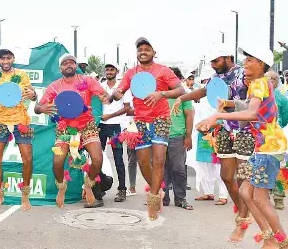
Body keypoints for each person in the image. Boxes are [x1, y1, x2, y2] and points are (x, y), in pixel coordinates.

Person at [197, 47, 288, 249]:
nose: (245, 64)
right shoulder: (259, 84)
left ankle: (282, 243)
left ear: (261, 64)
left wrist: (217, 115)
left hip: (268, 147)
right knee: (245, 193)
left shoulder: (259, 83)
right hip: (264, 146)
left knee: (260, 198)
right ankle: (269, 239)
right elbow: (251, 106)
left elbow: (251, 114)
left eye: (250, 60)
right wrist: (228, 102)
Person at [172, 44, 251, 242]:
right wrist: (181, 98)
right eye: (211, 62)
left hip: (246, 130)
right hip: (225, 128)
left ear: (227, 57)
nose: (213, 65)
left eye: (216, 61)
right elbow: (203, 92)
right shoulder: (217, 78)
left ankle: (242, 218)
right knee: (226, 176)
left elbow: (255, 102)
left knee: (242, 178)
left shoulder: (244, 73)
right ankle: (242, 211)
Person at [112, 37, 185, 221]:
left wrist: (162, 93)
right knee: (144, 162)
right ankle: (158, 189)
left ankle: (152, 201)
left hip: (161, 119)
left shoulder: (163, 71)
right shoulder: (131, 73)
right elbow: (119, 91)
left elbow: (180, 90)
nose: (143, 52)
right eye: (139, 50)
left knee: (159, 160)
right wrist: (116, 93)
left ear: (154, 52)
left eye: (146, 49)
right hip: (140, 122)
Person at [35, 53, 111, 208]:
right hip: (65, 130)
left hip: (87, 127)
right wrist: (42, 108)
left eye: (71, 62)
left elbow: (105, 95)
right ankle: (61, 187)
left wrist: (106, 97)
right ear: (60, 68)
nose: (68, 65)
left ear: (76, 66)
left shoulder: (87, 81)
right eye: (65, 63)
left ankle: (89, 184)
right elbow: (37, 107)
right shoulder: (54, 86)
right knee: (57, 162)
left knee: (97, 159)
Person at [0, 49, 38, 213]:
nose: (5, 61)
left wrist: (33, 94)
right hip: (1, 122)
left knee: (27, 159)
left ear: (13, 59)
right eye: (2, 58)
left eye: (8, 58)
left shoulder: (22, 75)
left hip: (21, 120)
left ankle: (25, 194)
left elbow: (33, 95)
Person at [192, 70, 229, 205]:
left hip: (218, 135)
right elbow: (197, 117)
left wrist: (210, 125)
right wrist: (200, 126)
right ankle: (208, 192)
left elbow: (224, 118)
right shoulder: (201, 100)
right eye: (205, 82)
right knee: (204, 164)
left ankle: (223, 195)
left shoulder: (223, 100)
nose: (207, 84)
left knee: (219, 166)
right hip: (202, 135)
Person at [99, 62, 131, 202]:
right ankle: (97, 189)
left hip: (115, 127)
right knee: (97, 158)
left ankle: (122, 190)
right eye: (107, 70)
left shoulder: (122, 88)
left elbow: (127, 108)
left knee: (118, 159)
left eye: (112, 70)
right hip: (101, 126)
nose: (109, 72)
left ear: (117, 71)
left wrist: (110, 116)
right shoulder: (100, 86)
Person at [163, 67, 194, 210]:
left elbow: (189, 115)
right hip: (159, 136)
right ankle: (162, 198)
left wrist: (188, 136)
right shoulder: (159, 94)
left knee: (179, 169)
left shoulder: (184, 95)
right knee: (160, 170)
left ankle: (180, 198)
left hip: (177, 136)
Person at [265, 70, 288, 210]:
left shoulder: (283, 99)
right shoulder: (257, 97)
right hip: (260, 137)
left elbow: (285, 120)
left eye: (271, 80)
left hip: (276, 138)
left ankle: (279, 198)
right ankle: (264, 196)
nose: (268, 82)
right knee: (262, 167)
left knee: (279, 168)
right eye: (266, 79)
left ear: (276, 82)